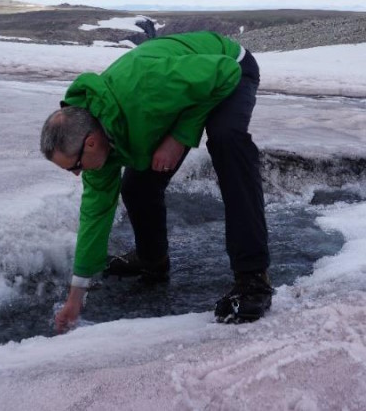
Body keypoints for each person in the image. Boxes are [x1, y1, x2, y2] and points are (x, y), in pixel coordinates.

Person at [40, 31, 272, 332]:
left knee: (227, 142)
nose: (76, 173)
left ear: (91, 143)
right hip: (184, 91)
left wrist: (178, 137)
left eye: (75, 166)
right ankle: (152, 261)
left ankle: (253, 279)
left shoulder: (147, 86)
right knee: (138, 187)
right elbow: (95, 213)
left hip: (228, 67)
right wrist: (76, 298)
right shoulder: (94, 131)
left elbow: (223, 74)